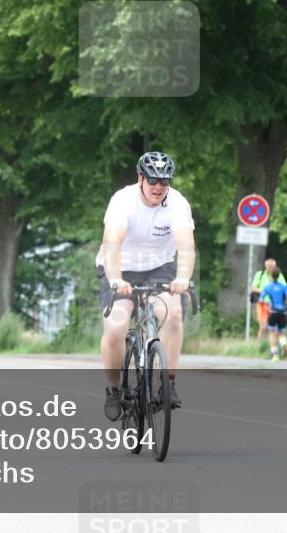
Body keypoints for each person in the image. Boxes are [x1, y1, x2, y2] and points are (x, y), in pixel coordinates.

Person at [98, 151, 196, 420]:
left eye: (164, 182)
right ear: (140, 178)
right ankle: (114, 389)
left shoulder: (177, 203)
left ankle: (168, 383)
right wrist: (116, 279)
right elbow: (112, 245)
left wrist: (183, 278)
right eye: (152, 180)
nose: (158, 187)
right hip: (121, 266)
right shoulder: (123, 201)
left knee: (173, 315)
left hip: (159, 267)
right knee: (116, 326)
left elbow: (186, 247)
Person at [259, 267, 287, 361]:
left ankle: (275, 354)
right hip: (282, 312)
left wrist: (265, 304)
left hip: (273, 312)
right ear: (279, 276)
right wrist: (285, 304)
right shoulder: (283, 286)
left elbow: (261, 299)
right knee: (281, 332)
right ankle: (283, 343)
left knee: (271, 333)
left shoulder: (267, 287)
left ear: (271, 276)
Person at [250, 258, 287, 342]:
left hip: (275, 305)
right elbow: (253, 288)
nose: (270, 268)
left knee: (275, 328)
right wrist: (265, 290)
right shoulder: (260, 274)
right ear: (265, 266)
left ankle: (273, 345)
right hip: (262, 304)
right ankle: (258, 345)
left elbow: (284, 288)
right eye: (268, 266)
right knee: (263, 327)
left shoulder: (279, 275)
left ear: (274, 266)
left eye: (271, 266)